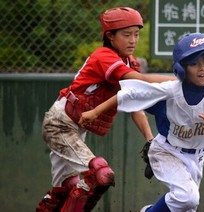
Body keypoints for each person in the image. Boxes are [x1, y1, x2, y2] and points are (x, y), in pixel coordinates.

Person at [78, 32, 204, 212]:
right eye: (194, 63)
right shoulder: (172, 89)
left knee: (186, 206)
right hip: (167, 151)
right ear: (182, 68)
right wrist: (95, 111)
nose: (202, 68)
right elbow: (130, 94)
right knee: (187, 198)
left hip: (197, 157)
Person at [36, 7, 176, 212]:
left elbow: (134, 104)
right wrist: (184, 80)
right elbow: (143, 81)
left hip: (75, 128)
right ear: (110, 36)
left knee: (65, 189)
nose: (133, 40)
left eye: (136, 34)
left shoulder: (128, 62)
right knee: (100, 175)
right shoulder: (104, 56)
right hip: (60, 124)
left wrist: (149, 139)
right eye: (126, 35)